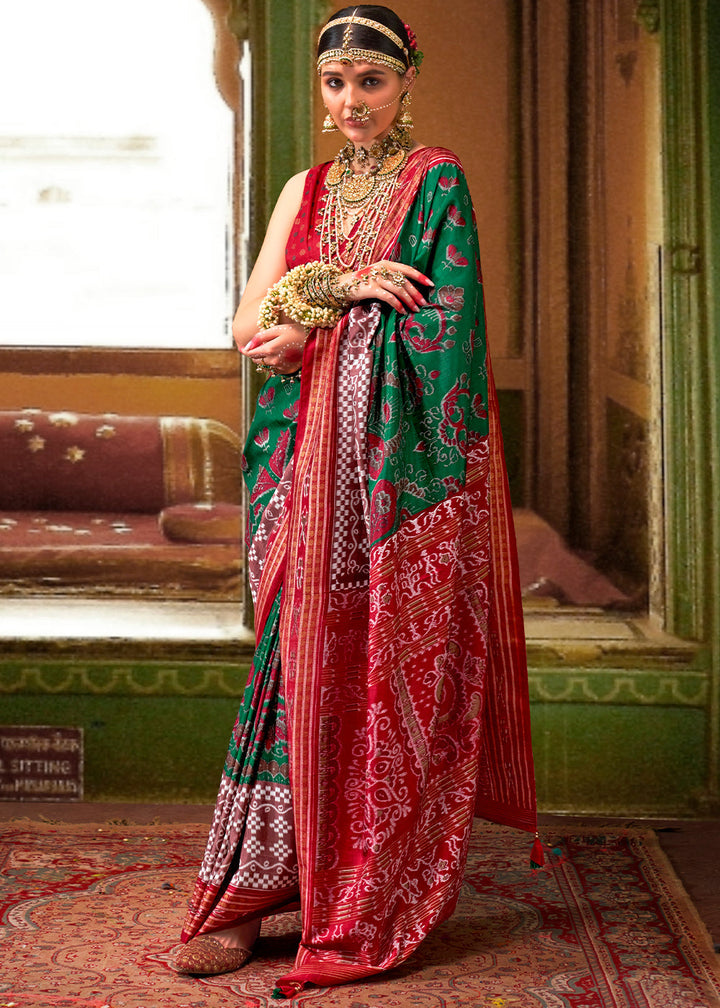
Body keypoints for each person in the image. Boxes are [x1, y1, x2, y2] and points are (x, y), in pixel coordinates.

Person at [173, 5, 538, 998]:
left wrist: (335, 325)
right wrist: (336, 285)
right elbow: (248, 323)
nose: (350, 103)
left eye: (369, 82)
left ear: (406, 78)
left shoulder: (437, 183)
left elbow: (450, 335)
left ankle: (353, 894)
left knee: (376, 668)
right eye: (336, 84)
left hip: (389, 481)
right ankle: (255, 893)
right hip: (301, 470)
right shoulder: (306, 187)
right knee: (295, 665)